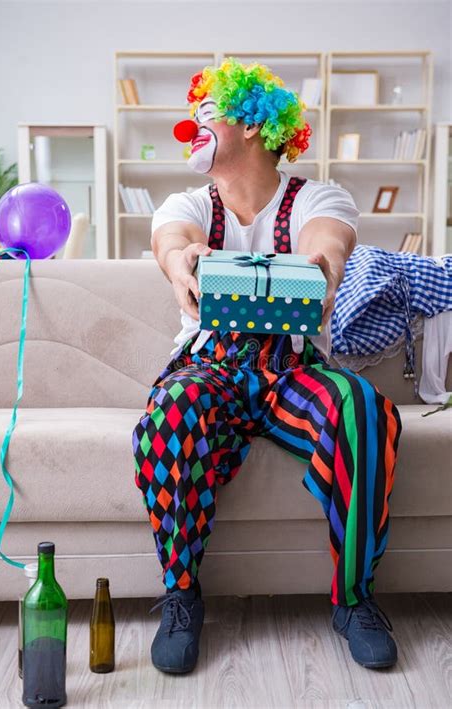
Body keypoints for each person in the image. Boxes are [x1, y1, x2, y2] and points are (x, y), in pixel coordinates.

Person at [132, 57, 402, 674]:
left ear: (251, 124)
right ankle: (181, 594)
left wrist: (318, 270)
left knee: (361, 407)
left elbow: (327, 246)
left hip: (294, 366)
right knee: (173, 410)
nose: (190, 127)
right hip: (211, 364)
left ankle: (354, 599)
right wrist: (183, 264)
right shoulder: (188, 202)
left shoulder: (319, 196)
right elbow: (170, 242)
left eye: (206, 114)